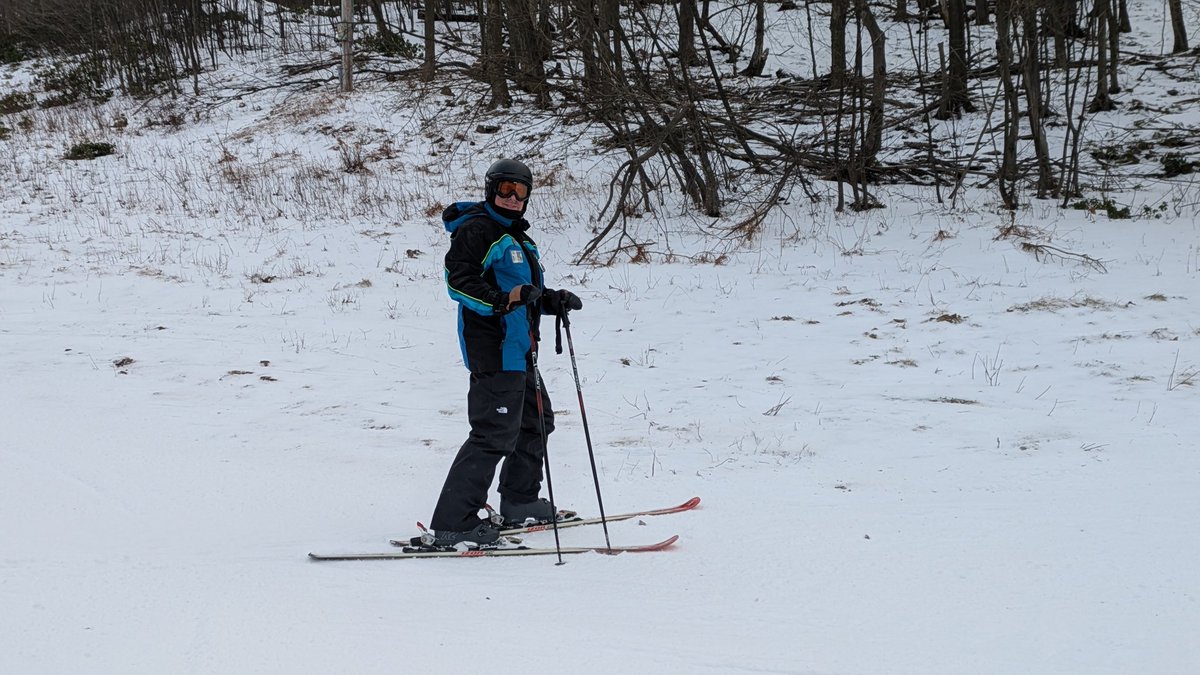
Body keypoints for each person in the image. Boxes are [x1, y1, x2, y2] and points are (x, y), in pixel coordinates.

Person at [429, 158, 583, 547]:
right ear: (491, 190)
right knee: (492, 434)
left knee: (537, 422)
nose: (513, 198)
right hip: (494, 349)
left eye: (521, 191)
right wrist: (500, 301)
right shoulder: (479, 230)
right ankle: (455, 523)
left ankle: (520, 501)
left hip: (520, 350)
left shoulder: (516, 237)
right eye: (506, 190)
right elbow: (458, 282)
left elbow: (519, 294)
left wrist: (550, 300)